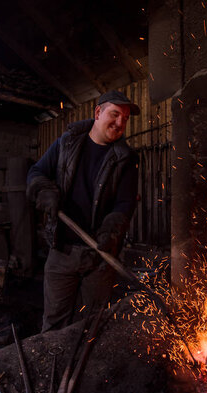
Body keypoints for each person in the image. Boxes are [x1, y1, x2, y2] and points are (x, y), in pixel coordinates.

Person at [27, 90, 139, 332]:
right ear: (98, 112)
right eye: (115, 114)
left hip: (99, 257)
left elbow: (125, 204)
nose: (120, 123)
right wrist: (44, 190)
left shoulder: (126, 158)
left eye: (126, 118)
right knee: (55, 324)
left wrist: (111, 229)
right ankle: (54, 369)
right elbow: (36, 173)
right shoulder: (66, 144)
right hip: (61, 252)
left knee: (92, 327)